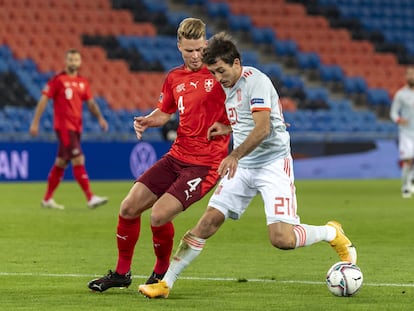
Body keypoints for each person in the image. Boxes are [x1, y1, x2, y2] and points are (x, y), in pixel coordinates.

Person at [138, 32, 358, 299]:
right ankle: (165, 283)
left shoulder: (257, 82)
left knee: (282, 239)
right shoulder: (226, 85)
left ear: (237, 63)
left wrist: (234, 155)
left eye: (221, 71)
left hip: (272, 165)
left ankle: (330, 231)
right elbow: (245, 118)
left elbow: (262, 129)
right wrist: (226, 126)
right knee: (207, 223)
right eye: (214, 73)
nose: (218, 78)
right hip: (242, 167)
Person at [87, 18, 230, 292]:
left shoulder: (220, 74)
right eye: (189, 50)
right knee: (128, 207)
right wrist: (146, 120)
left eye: (200, 49)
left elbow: (247, 111)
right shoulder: (175, 78)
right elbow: (165, 113)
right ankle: (121, 273)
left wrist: (227, 125)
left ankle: (161, 275)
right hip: (177, 156)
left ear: (207, 45)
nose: (196, 55)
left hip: (205, 165)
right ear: (179, 47)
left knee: (158, 215)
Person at [29, 48, 109, 210]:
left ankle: (47, 199)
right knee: (78, 159)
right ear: (66, 61)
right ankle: (90, 197)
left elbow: (91, 103)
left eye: (76, 60)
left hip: (77, 127)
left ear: (80, 62)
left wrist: (100, 118)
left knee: (61, 162)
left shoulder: (83, 82)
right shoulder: (58, 80)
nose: (73, 62)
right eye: (71, 60)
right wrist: (35, 122)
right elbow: (44, 100)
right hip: (64, 128)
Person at [390, 66, 414, 198]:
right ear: (405, 77)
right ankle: (405, 188)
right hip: (406, 133)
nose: (411, 77)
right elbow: (393, 112)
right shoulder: (400, 94)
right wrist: (399, 119)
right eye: (409, 74)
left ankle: (411, 181)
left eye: (413, 74)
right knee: (408, 160)